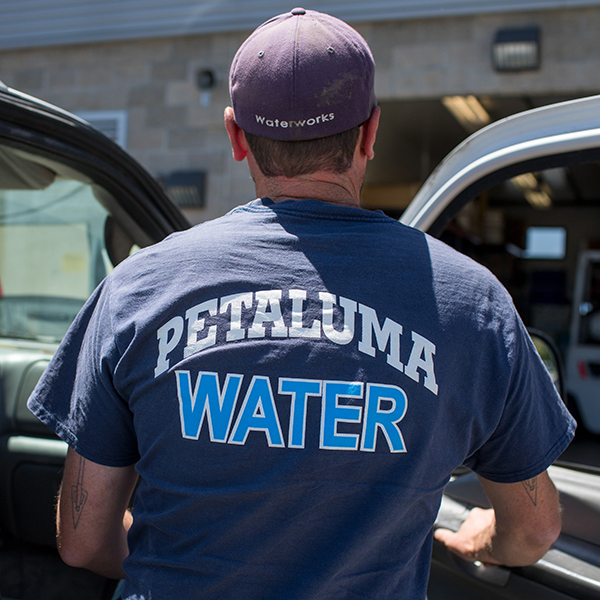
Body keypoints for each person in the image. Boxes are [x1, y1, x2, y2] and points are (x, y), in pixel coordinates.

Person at [28, 8, 575, 600]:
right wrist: (481, 541)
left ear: (236, 137)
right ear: (370, 133)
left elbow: (83, 540)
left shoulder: (138, 287)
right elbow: (535, 530)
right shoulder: (472, 304)